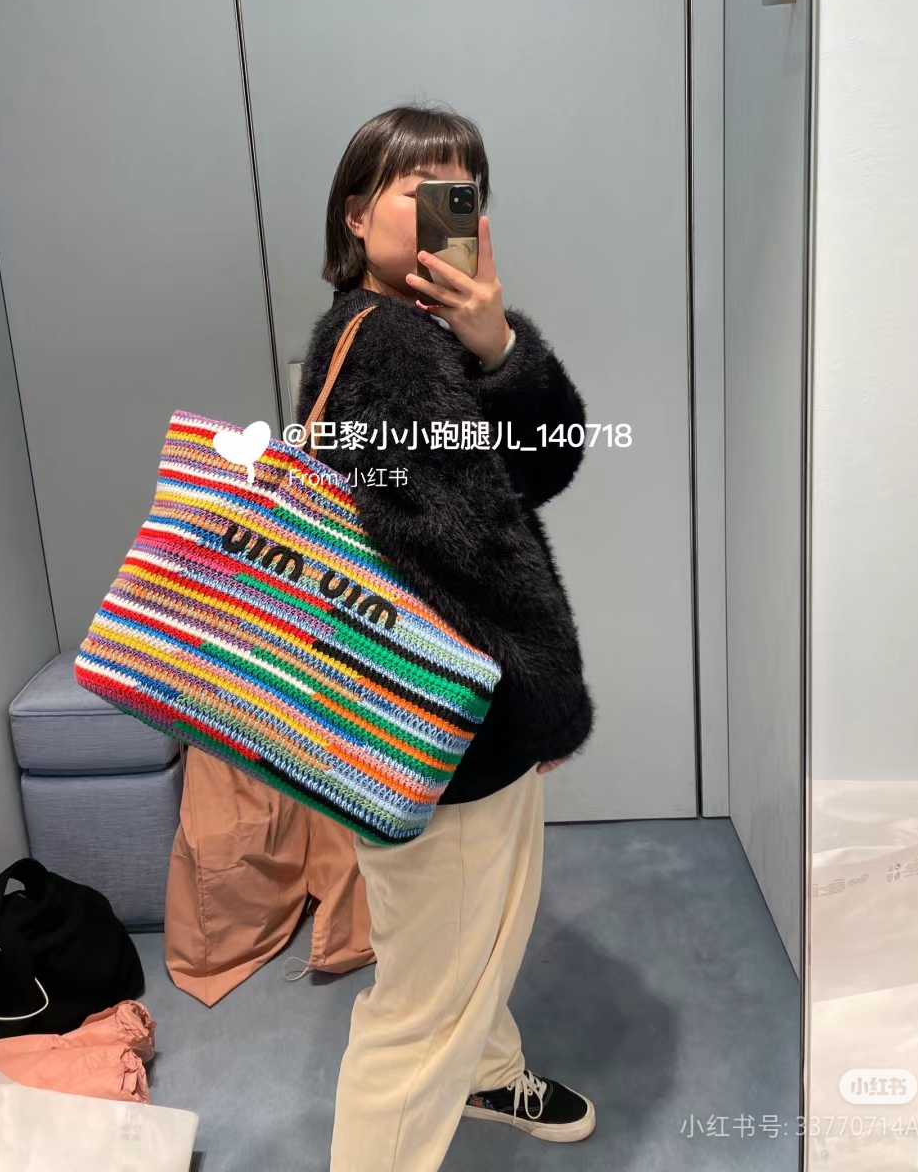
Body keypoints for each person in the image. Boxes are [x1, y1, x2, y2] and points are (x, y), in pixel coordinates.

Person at [294, 105, 597, 1172]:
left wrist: (499, 346)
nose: (441, 210)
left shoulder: (411, 333)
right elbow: (475, 549)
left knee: (459, 942)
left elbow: (543, 464)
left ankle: (487, 1071)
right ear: (354, 213)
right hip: (449, 721)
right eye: (414, 187)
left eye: (460, 192)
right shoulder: (388, 347)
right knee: (423, 1004)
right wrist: (545, 703)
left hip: (416, 707)